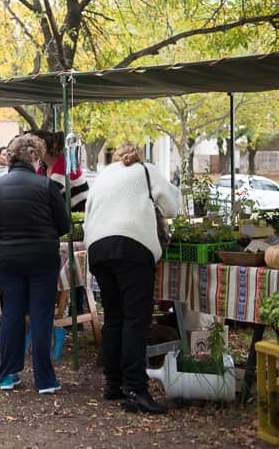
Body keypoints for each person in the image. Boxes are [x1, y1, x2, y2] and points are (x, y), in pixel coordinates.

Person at [84, 142, 180, 414]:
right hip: (132, 245)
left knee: (114, 317)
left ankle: (113, 384)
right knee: (136, 319)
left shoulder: (104, 175)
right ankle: (136, 388)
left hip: (99, 248)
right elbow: (172, 207)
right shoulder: (146, 170)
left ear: (116, 157)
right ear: (140, 156)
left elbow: (90, 212)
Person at [0, 134, 70, 393]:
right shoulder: (46, 186)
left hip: (9, 258)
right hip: (42, 257)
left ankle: (8, 374)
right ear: (35, 156)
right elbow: (63, 226)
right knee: (41, 315)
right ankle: (45, 379)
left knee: (12, 313)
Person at [35, 131, 90, 212]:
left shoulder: (65, 163)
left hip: (82, 215)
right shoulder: (42, 168)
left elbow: (50, 191)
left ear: (43, 149)